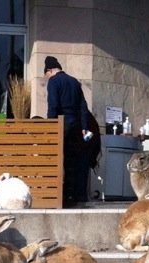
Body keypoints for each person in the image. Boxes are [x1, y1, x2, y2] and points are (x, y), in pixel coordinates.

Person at [44, 55, 90, 205]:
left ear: (49, 70)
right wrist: (84, 127)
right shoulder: (74, 82)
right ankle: (76, 196)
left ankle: (62, 197)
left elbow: (53, 106)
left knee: (60, 162)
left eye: (46, 75)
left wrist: (50, 127)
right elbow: (83, 107)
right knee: (74, 162)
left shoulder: (54, 81)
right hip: (76, 127)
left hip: (61, 126)